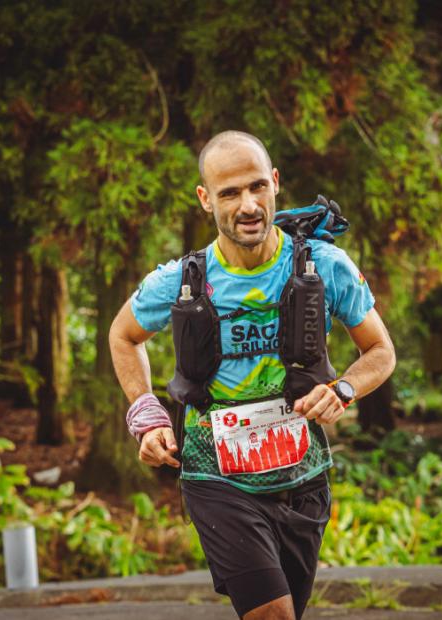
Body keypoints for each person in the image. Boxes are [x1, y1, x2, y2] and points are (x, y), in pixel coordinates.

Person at [109, 130, 396, 620]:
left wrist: (342, 390)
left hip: (301, 476)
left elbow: (380, 351)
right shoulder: (183, 280)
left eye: (257, 187)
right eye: (229, 193)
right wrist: (146, 411)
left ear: (276, 183)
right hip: (216, 476)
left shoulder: (325, 266)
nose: (248, 205)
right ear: (205, 199)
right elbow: (123, 335)